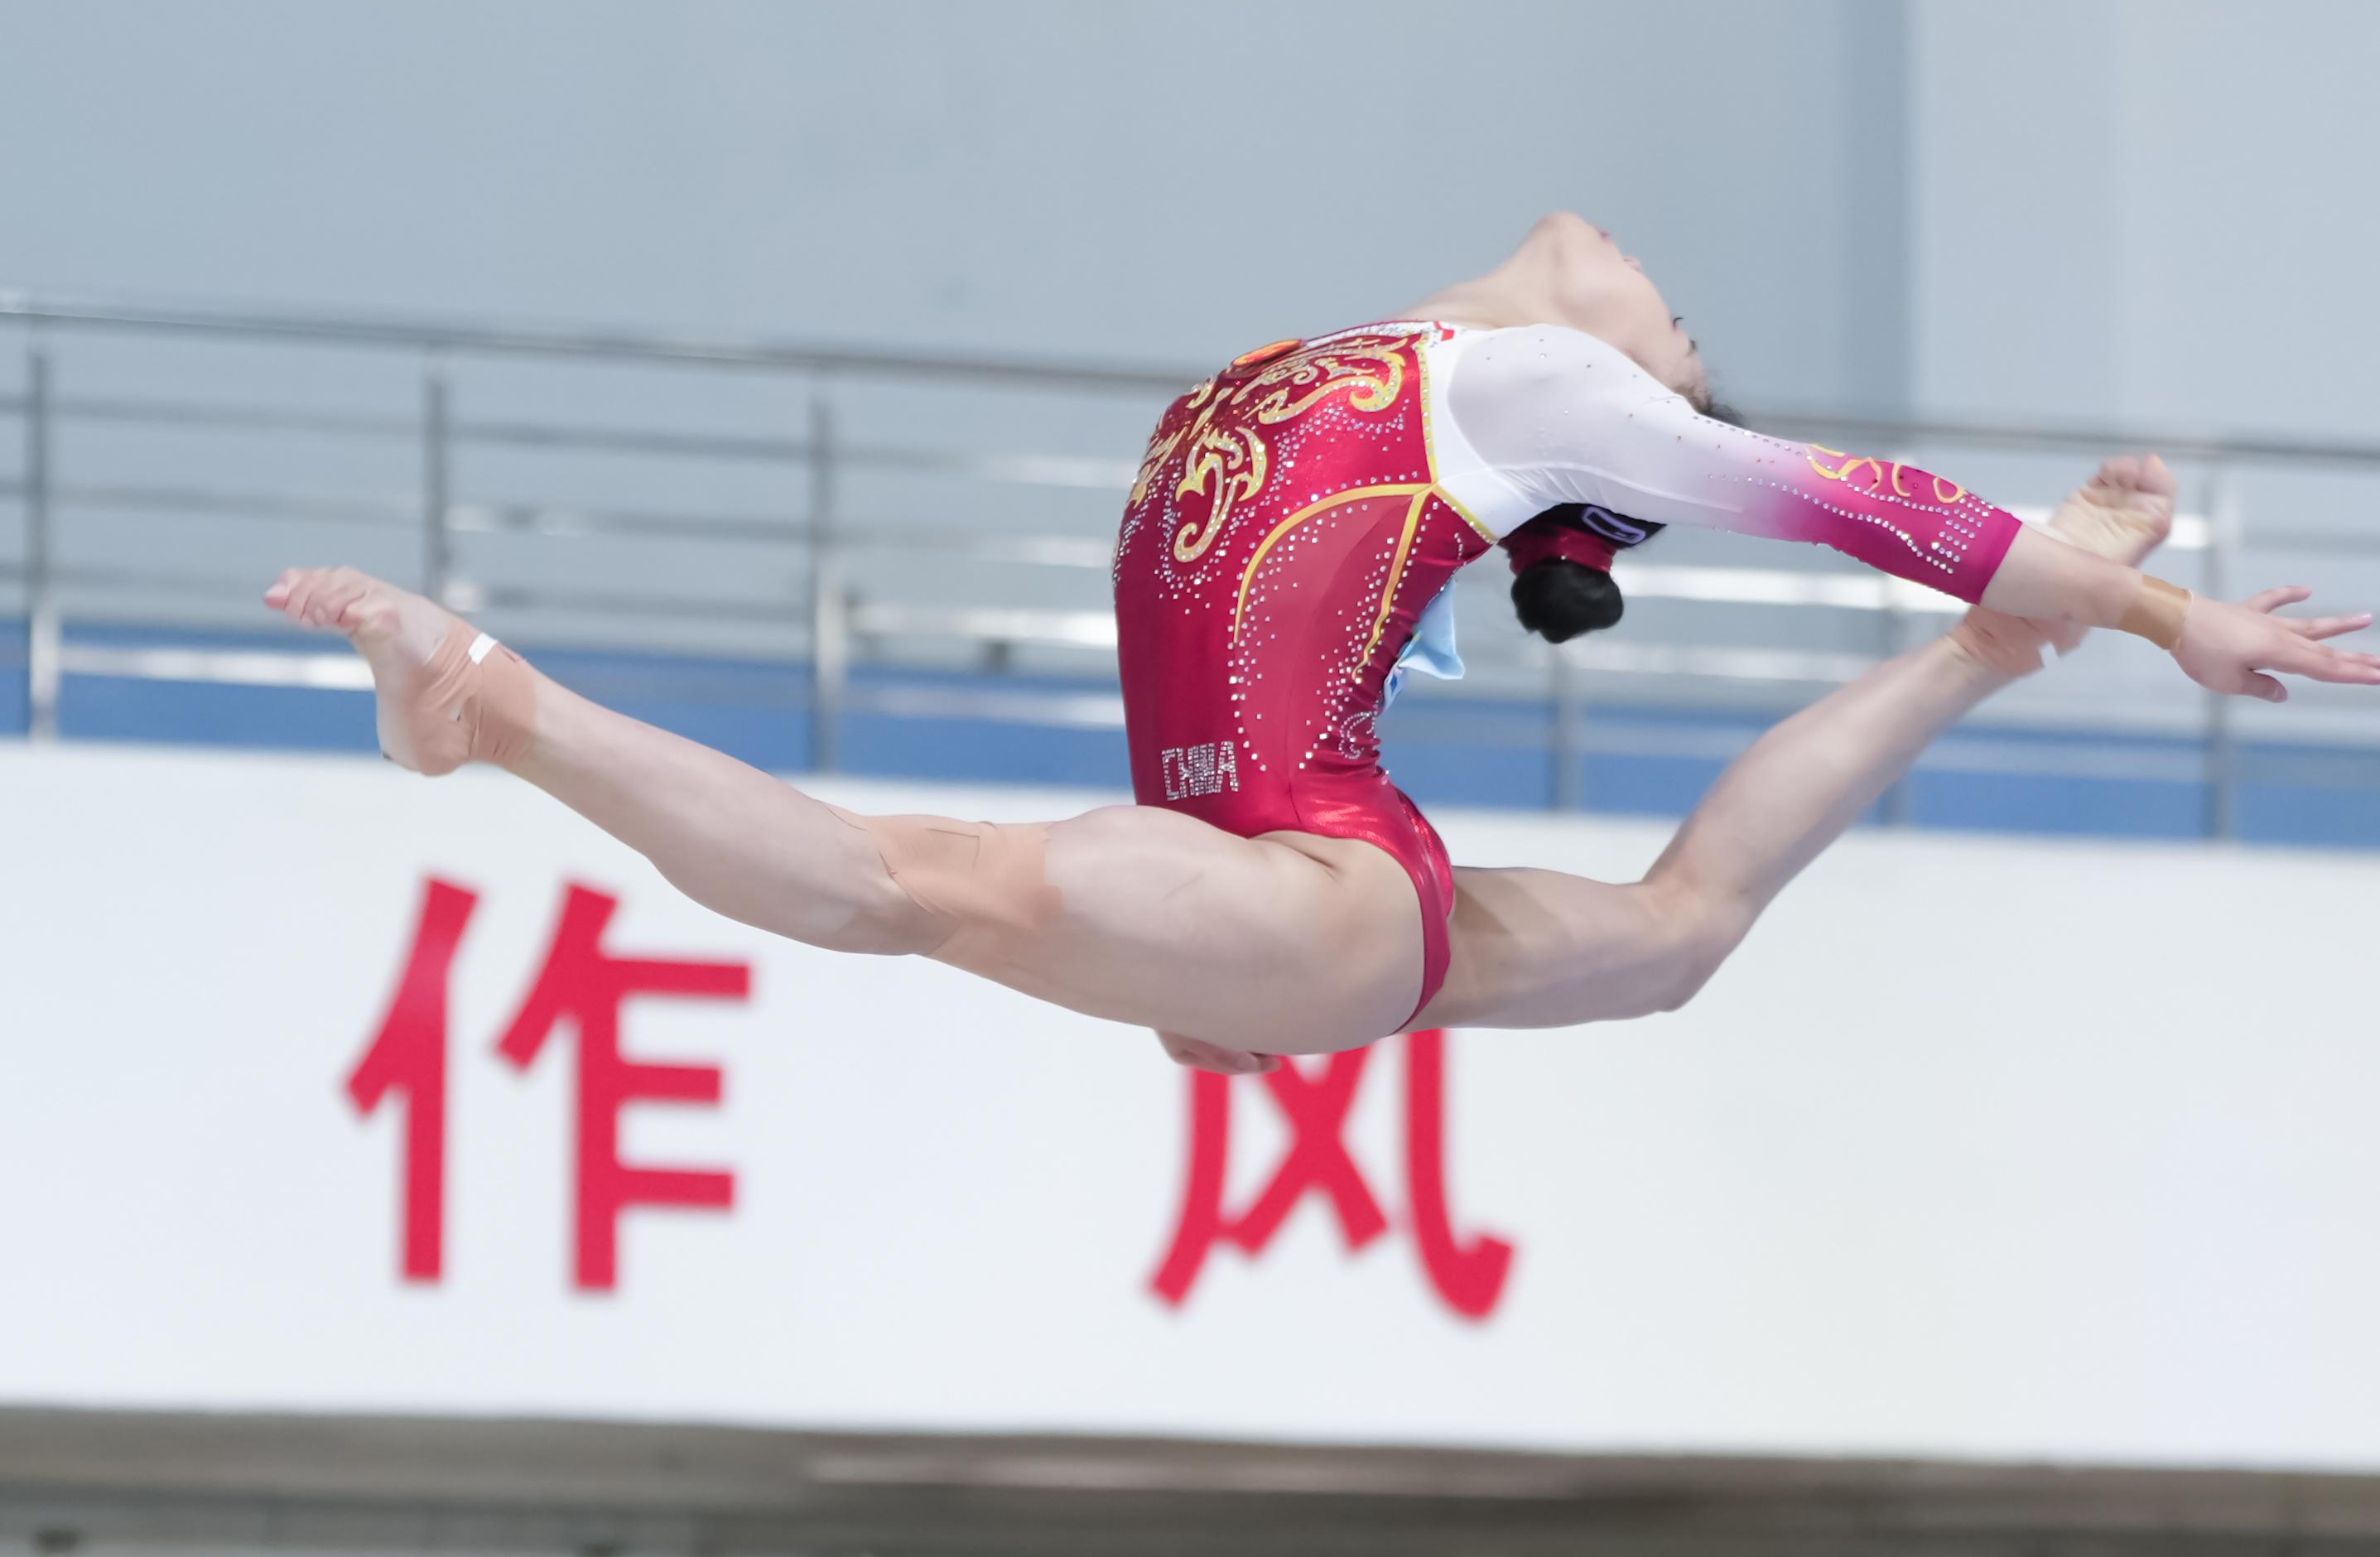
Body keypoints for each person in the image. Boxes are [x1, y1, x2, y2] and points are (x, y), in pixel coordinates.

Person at [266, 213, 2378, 1072]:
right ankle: (1995, 666)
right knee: (1688, 923)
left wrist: (2172, 611)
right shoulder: (1348, 365)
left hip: (1308, 882)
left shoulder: (1551, 390)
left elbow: (1875, 508)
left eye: (1684, 341)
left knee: (908, 886)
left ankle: (503, 709)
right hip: (1295, 880)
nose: (1652, 282)